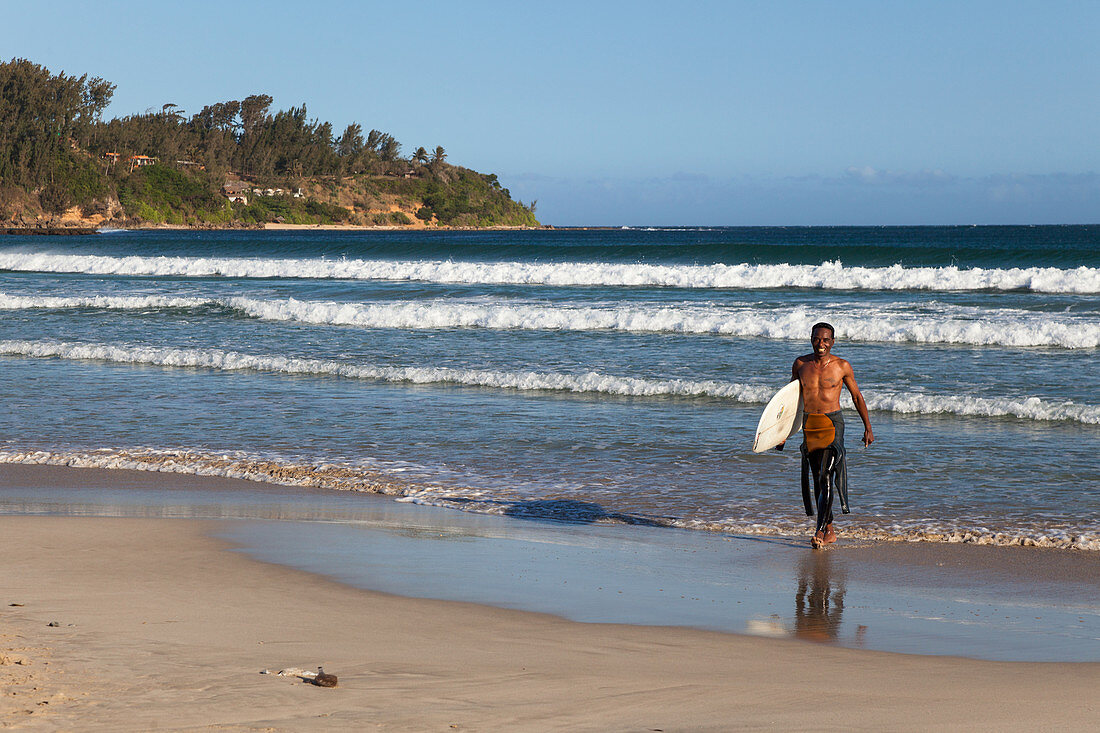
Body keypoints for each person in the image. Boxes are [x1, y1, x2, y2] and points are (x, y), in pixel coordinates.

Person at [781, 322, 874, 549]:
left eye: (825, 340)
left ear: (833, 342)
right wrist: (781, 433)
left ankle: (820, 530)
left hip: (833, 425)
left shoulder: (842, 366)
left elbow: (856, 397)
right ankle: (830, 530)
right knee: (818, 481)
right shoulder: (801, 365)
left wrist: (868, 427)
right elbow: (790, 400)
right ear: (811, 339)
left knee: (825, 476)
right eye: (816, 339)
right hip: (810, 425)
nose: (820, 344)